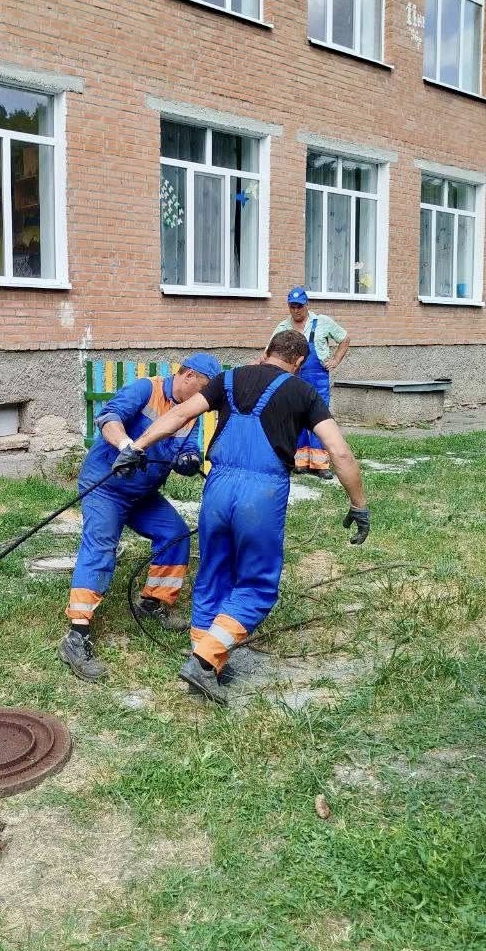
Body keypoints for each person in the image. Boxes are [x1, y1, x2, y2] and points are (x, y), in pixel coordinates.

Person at [118, 330, 369, 705]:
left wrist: (135, 447)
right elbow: (340, 452)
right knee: (257, 585)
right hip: (261, 494)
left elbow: (179, 413)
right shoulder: (302, 391)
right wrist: (358, 504)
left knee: (213, 574)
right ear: (299, 362)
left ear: (267, 351)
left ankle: (209, 661)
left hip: (218, 489)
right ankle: (205, 660)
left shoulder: (228, 379)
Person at [59, 351, 223, 682]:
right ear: (188, 376)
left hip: (142, 495)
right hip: (106, 488)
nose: (207, 399)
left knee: (175, 535)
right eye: (205, 388)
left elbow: (188, 447)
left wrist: (190, 460)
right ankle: (76, 635)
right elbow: (109, 417)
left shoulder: (191, 411)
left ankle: (153, 603)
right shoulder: (146, 389)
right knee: (101, 547)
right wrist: (125, 446)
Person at [271, 287, 350, 479]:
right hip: (293, 379)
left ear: (307, 305)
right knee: (295, 417)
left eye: (299, 306)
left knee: (319, 418)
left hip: (318, 379)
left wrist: (335, 360)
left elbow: (344, 338)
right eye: (292, 306)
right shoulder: (282, 327)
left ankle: (320, 464)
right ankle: (299, 461)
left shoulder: (322, 322)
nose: (296, 310)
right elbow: (269, 351)